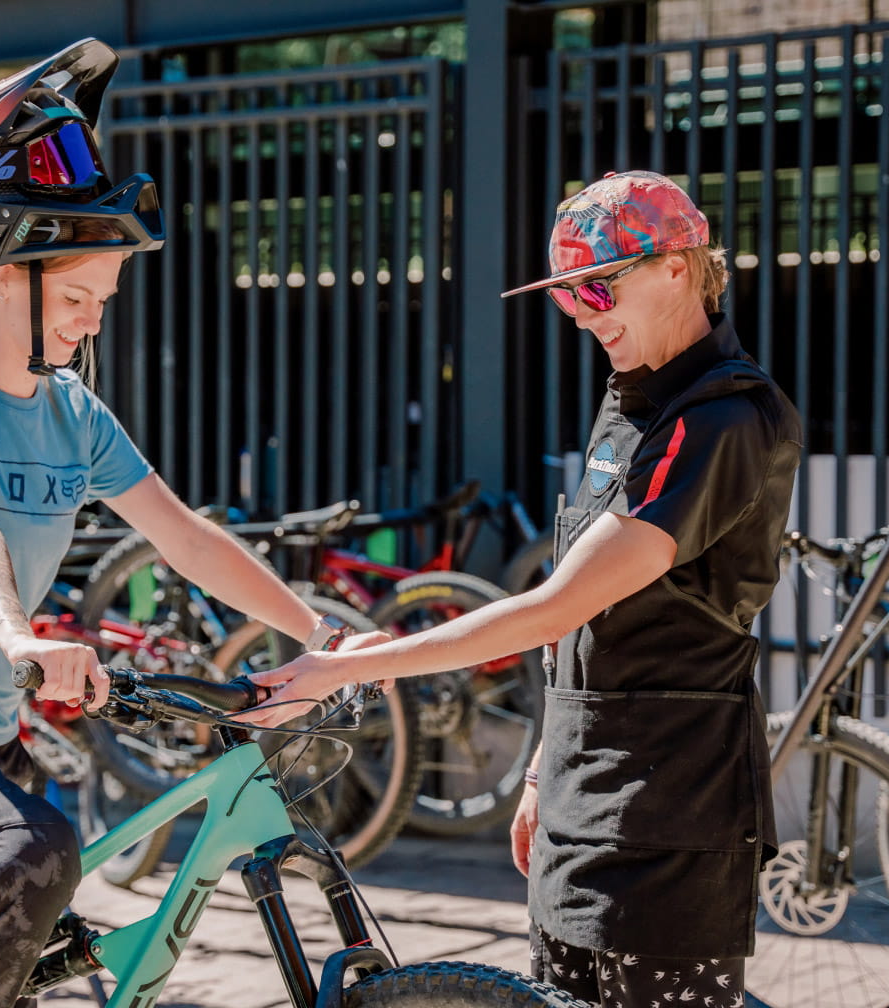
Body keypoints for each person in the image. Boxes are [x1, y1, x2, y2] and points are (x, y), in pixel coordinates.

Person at [0, 40, 375, 1008]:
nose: (90, 323)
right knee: (33, 854)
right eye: (72, 298)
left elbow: (184, 536)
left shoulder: (72, 413)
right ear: (1, 272)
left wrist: (320, 634)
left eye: (99, 300)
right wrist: (22, 636)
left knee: (63, 950)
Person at [235, 170, 802, 1008]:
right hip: (583, 785)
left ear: (679, 266)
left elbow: (557, 603)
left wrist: (356, 665)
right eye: (569, 297)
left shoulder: (721, 419)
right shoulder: (634, 398)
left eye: (599, 288)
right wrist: (543, 769)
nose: (584, 315)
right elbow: (585, 627)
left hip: (672, 805)